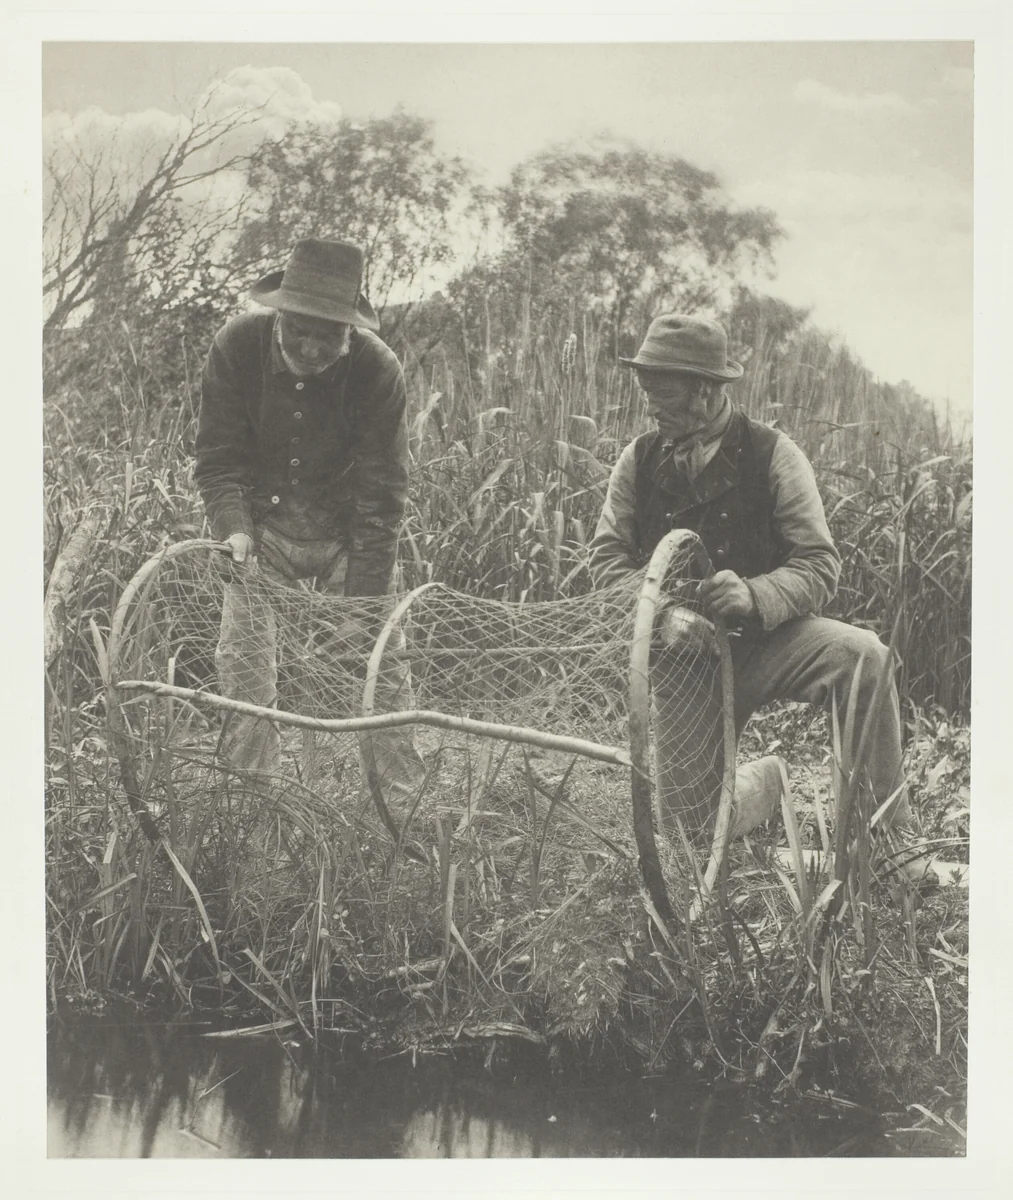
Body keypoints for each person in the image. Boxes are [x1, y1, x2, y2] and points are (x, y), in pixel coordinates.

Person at [589, 313, 937, 884]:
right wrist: (664, 618)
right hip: (686, 659)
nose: (650, 406)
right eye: (646, 391)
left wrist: (755, 594)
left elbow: (820, 565)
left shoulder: (776, 454)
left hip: (773, 639)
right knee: (689, 837)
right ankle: (767, 781)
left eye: (664, 393)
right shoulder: (638, 460)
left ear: (705, 390)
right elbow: (606, 561)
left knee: (864, 656)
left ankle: (888, 844)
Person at [195, 237, 425, 808]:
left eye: (329, 334)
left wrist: (364, 609)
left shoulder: (378, 370)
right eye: (299, 329)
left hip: (347, 536)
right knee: (242, 661)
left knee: (383, 668)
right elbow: (218, 460)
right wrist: (234, 530)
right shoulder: (236, 347)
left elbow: (383, 494)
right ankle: (251, 805)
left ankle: (401, 808)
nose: (312, 345)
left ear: (352, 330)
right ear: (279, 315)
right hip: (263, 534)